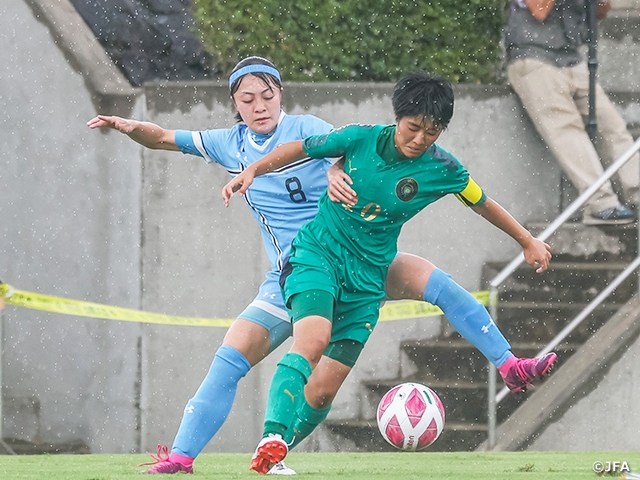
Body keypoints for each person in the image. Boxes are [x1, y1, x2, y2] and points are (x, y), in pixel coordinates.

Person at [89, 58, 554, 476]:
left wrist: (334, 172)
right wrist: (132, 127)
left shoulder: (313, 126)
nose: (259, 105)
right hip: (301, 265)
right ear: (234, 103)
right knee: (232, 360)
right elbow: (165, 138)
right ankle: (183, 458)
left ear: (280, 95)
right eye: (247, 98)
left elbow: (342, 150)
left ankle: (509, 364)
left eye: (267, 95)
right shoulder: (227, 144)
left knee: (435, 290)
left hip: (363, 255)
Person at [222, 70, 556, 475]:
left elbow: (482, 202)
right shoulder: (360, 138)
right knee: (313, 339)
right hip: (317, 256)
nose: (419, 139)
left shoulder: (444, 168)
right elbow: (299, 148)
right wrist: (254, 169)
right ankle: (271, 435)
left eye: (431, 132)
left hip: (368, 279)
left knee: (324, 391)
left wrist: (527, 240)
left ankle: (510, 366)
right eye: (413, 128)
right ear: (398, 117)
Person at [504, 0, 639, 225]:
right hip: (533, 58)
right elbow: (539, 9)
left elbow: (600, 12)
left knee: (613, 127)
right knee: (566, 130)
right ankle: (600, 205)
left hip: (571, 59)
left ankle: (636, 191)